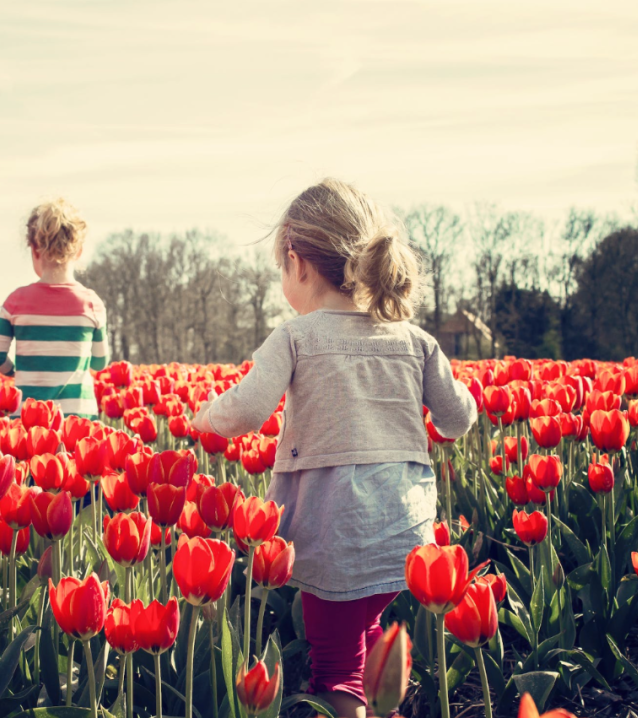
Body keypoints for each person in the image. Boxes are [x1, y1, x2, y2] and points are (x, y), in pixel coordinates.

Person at [191, 179, 477, 718]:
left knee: (337, 668)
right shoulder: (415, 340)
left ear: (297, 263)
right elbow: (458, 419)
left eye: (282, 268)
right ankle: (381, 704)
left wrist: (206, 414)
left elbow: (248, 410)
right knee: (367, 633)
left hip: (335, 527)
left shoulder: (296, 337)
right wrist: (470, 399)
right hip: (406, 532)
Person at [0, 198, 109, 418]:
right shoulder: (91, 303)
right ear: (79, 251)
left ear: (34, 249)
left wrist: (16, 372)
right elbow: (100, 362)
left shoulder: (16, 301)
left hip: (28, 417)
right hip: (78, 416)